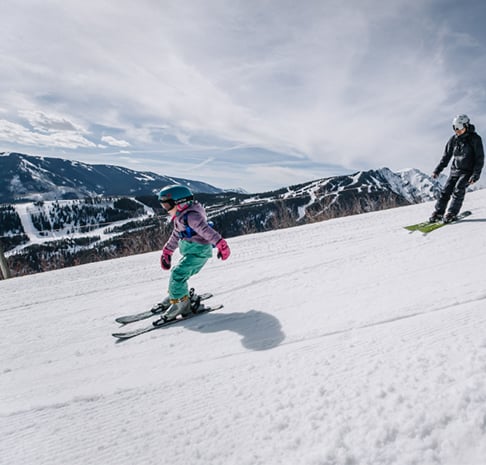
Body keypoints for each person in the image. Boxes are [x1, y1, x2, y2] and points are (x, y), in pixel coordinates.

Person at [156, 184, 231, 322]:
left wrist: (220, 244)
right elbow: (176, 234)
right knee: (177, 272)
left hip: (199, 253)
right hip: (191, 251)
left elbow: (206, 231)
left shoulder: (192, 217)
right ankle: (177, 295)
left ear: (180, 203)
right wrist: (167, 251)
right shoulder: (181, 217)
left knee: (178, 273)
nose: (165, 210)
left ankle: (182, 304)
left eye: (167, 206)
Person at [429, 114, 484, 223]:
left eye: (459, 128)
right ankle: (438, 213)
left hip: (468, 172)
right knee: (445, 191)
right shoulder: (453, 140)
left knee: (459, 189)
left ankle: (451, 213)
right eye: (454, 128)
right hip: (455, 171)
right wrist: (437, 170)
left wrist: (476, 174)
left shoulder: (475, 139)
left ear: (466, 126)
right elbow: (446, 157)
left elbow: (480, 158)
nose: (457, 130)